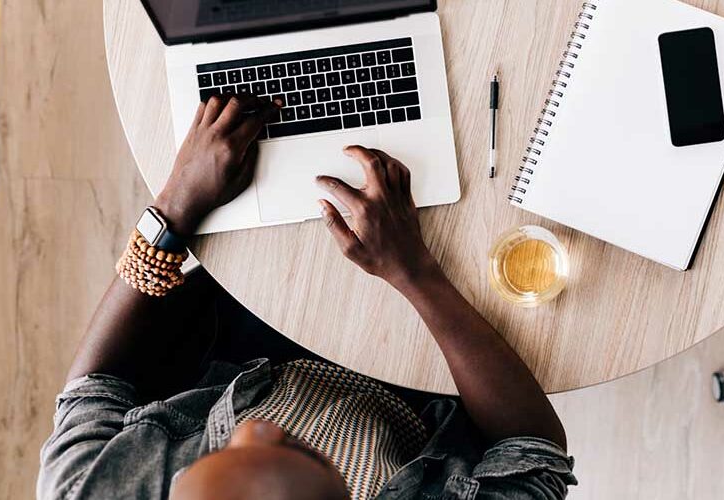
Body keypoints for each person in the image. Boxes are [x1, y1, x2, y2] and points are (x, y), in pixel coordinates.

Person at [37, 94, 577, 500]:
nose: (257, 428)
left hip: (249, 343)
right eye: (298, 452)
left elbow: (91, 390)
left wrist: (176, 206)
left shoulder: (85, 491)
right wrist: (416, 273)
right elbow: (537, 454)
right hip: (432, 384)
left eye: (215, 457)